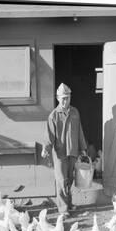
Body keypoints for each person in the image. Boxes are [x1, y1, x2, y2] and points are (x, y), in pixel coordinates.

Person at [41, 83, 88, 214]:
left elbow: (79, 131)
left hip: (72, 150)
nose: (65, 100)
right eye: (63, 98)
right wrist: (46, 148)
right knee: (61, 180)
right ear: (57, 98)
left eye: (67, 97)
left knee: (70, 179)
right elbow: (49, 135)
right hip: (60, 153)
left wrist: (82, 148)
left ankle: (69, 203)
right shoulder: (53, 116)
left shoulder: (75, 112)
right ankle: (63, 209)